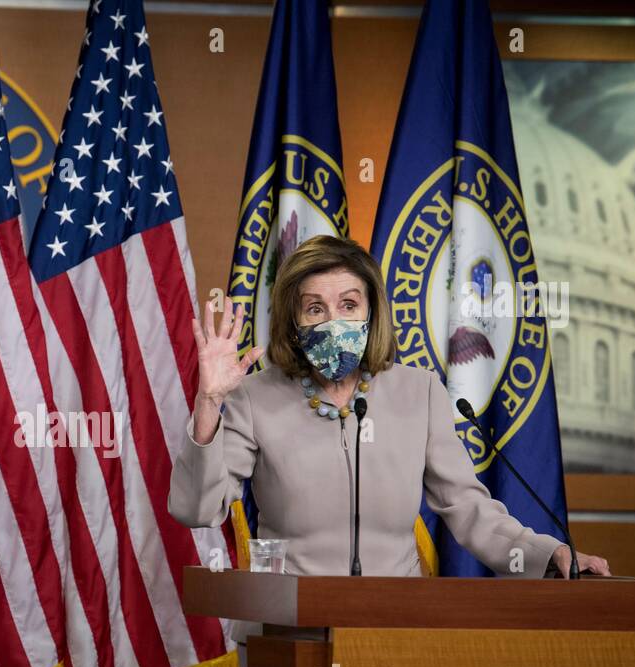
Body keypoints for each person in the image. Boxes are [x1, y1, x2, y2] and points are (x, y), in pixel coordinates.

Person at [168, 235, 609, 579]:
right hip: (287, 630)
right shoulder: (254, 396)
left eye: (348, 305)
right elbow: (197, 510)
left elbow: (467, 507)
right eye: (314, 309)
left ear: (372, 313)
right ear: (293, 321)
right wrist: (209, 401)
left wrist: (548, 554)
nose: (333, 321)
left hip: (390, 628)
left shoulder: (420, 393)